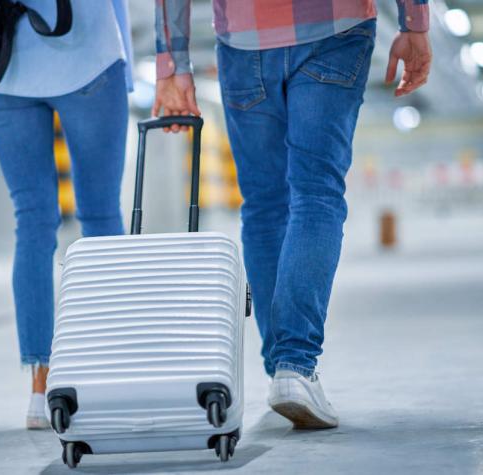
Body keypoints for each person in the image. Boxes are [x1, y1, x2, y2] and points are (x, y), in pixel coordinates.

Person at [152, 0, 432, 428]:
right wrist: (414, 22)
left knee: (264, 207)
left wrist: (173, 64)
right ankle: (294, 366)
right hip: (334, 27)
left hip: (244, 39)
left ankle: (282, 368)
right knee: (316, 194)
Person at [0, 0, 133, 429]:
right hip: (88, 60)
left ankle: (40, 388)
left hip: (1, 70)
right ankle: (109, 371)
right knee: (100, 216)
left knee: (32, 222)